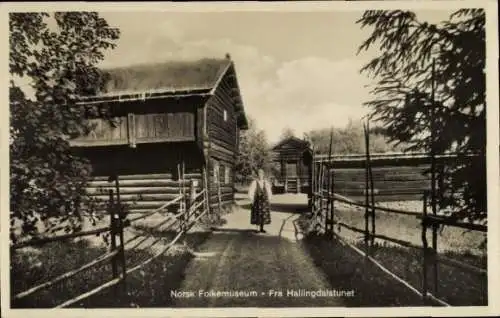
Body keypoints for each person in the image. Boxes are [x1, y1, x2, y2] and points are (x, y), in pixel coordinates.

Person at [248, 168, 273, 233]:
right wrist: (251, 199)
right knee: (257, 214)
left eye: (261, 174)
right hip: (257, 201)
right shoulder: (254, 182)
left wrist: (269, 199)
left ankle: (262, 228)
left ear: (263, 175)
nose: (260, 175)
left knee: (263, 215)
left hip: (264, 201)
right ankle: (257, 228)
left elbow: (269, 191)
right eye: (259, 174)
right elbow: (251, 191)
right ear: (257, 175)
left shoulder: (266, 182)